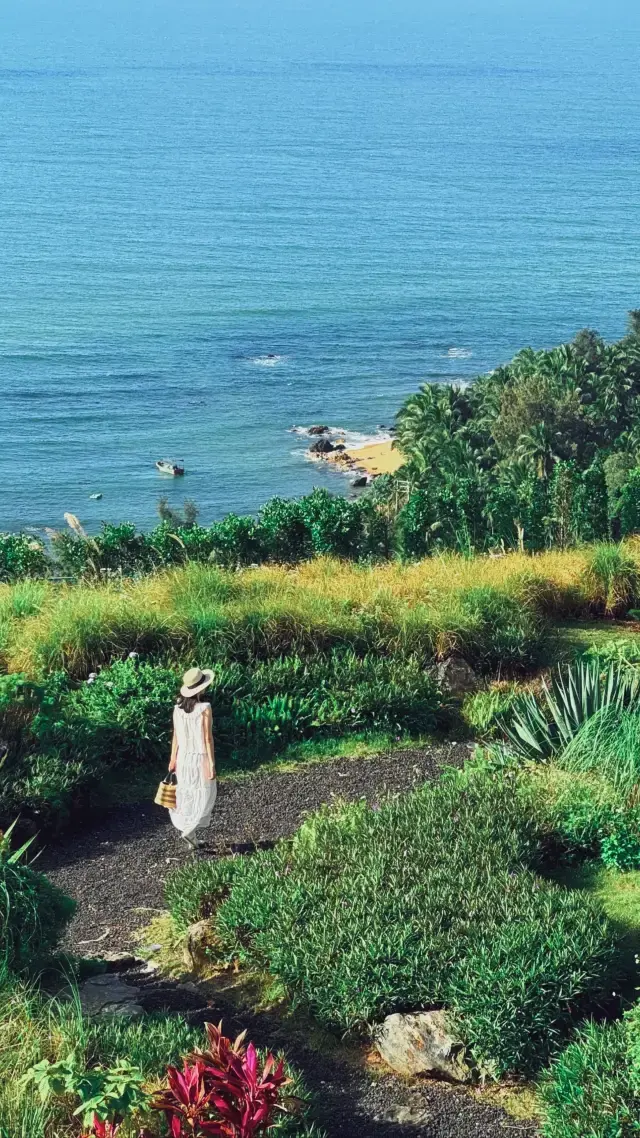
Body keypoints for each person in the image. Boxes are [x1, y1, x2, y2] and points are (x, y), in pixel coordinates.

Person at [169, 666, 217, 849]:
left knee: (187, 794)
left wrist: (172, 759)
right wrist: (212, 764)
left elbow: (176, 736)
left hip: (183, 758)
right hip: (200, 757)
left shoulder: (177, 709)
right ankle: (190, 830)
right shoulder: (205, 708)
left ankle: (193, 839)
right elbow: (207, 738)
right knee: (204, 794)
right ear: (200, 688)